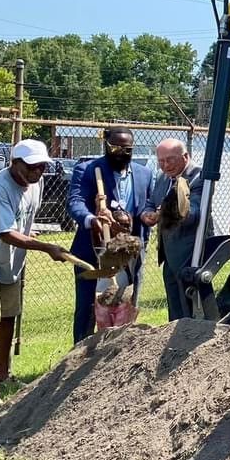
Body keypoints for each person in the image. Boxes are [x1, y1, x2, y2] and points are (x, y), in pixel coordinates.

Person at [0, 139, 68, 407]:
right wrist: (46, 247)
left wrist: (27, 233)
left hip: (9, 264)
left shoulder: (36, 183)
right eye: (31, 166)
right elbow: (4, 232)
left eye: (41, 166)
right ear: (14, 163)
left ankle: (4, 375)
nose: (37, 172)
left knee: (8, 318)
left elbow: (19, 219)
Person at [67, 127, 153, 344]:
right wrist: (92, 219)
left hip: (129, 252)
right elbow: (75, 202)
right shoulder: (88, 170)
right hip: (95, 250)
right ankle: (80, 354)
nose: (121, 153)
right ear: (106, 145)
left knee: (125, 304)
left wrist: (146, 218)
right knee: (89, 306)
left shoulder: (144, 174)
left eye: (127, 149)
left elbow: (145, 207)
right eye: (115, 147)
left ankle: (119, 353)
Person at [143, 139, 210, 321]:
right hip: (169, 254)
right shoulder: (163, 177)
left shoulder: (200, 177)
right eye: (161, 161)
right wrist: (147, 213)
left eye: (170, 160)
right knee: (175, 307)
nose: (165, 165)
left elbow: (193, 215)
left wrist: (165, 212)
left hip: (191, 253)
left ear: (185, 156)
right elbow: (152, 201)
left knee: (191, 305)